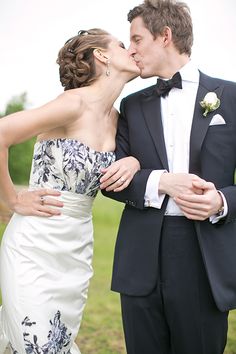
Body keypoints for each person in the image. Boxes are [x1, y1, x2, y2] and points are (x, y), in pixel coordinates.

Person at [100, 1, 236, 353]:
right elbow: (111, 180)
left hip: (204, 259)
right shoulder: (131, 105)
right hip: (140, 258)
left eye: (136, 39)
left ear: (165, 36)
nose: (131, 50)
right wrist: (161, 181)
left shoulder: (232, 97)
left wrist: (220, 201)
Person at [0, 28, 140, 354]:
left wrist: (131, 160)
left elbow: (132, 166)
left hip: (76, 249)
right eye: (122, 44)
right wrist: (12, 199)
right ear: (102, 56)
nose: (130, 49)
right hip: (35, 247)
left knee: (60, 342)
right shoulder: (73, 104)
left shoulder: (118, 120)